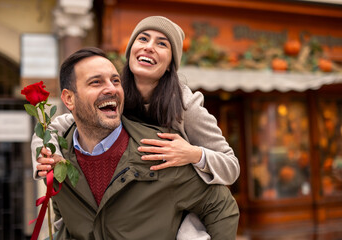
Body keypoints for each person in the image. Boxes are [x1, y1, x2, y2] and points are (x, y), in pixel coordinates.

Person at [32, 16, 240, 239]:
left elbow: (230, 169)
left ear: (171, 63)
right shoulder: (115, 91)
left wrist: (193, 153)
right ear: (130, 50)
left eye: (162, 43)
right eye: (143, 38)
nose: (149, 47)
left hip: (177, 206)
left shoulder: (186, 106)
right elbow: (58, 125)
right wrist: (47, 154)